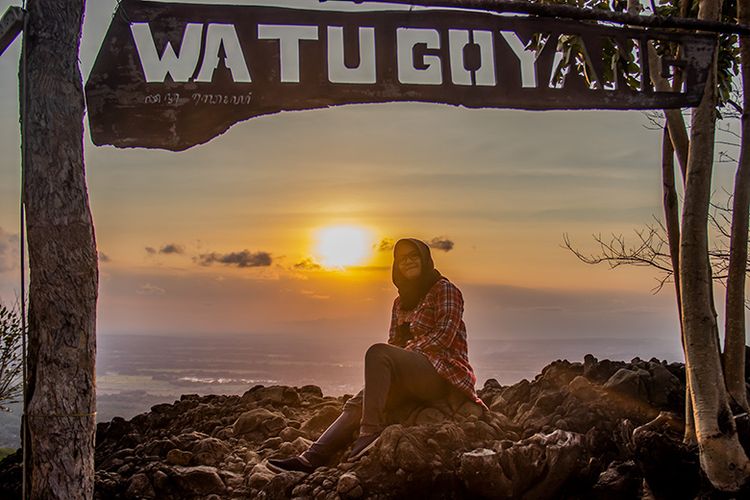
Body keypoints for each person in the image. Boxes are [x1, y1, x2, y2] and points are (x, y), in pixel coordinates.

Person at [267, 237, 485, 474]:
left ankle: (370, 432)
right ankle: (311, 458)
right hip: (410, 374)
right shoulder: (401, 302)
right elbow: (395, 343)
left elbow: (443, 337)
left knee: (378, 352)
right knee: (358, 403)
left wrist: (403, 353)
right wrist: (395, 362)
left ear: (425, 259)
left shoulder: (445, 290)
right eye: (402, 259)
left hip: (441, 373)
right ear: (396, 266)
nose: (409, 262)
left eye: (414, 256)